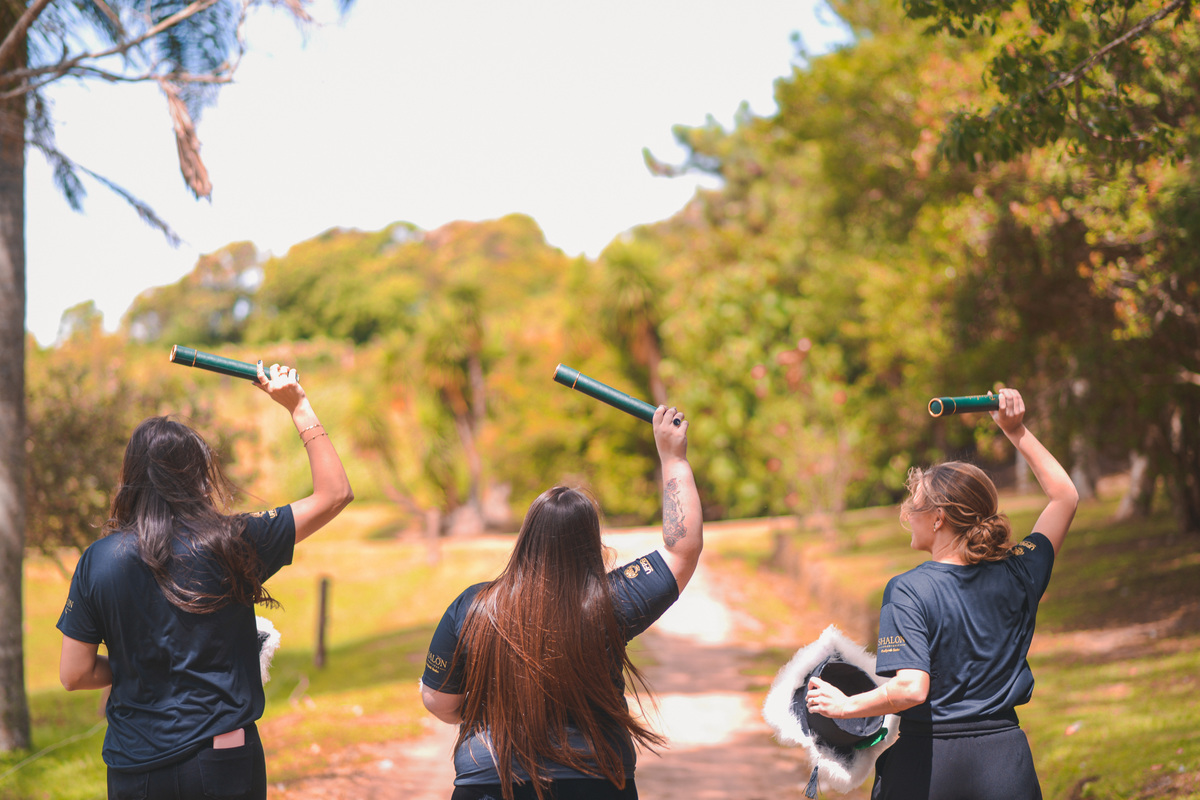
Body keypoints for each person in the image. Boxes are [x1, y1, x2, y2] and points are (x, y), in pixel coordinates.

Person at [57, 362, 353, 800]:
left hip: (132, 766)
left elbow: (74, 673)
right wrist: (299, 407)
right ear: (197, 475)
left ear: (129, 478)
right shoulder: (232, 539)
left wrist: (137, 663)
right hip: (221, 759)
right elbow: (335, 494)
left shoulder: (97, 561)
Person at [804, 388, 1079, 800]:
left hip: (931, 768)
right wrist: (1016, 430)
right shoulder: (1020, 571)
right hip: (1008, 766)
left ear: (938, 518)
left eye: (913, 505)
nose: (906, 514)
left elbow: (911, 689)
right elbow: (1065, 496)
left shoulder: (909, 590)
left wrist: (845, 707)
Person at [420, 405, 702, 800]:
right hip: (596, 781)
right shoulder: (610, 602)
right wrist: (674, 458)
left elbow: (438, 700)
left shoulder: (472, 607)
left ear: (526, 538)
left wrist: (492, 708)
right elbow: (682, 550)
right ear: (591, 542)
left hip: (491, 780)